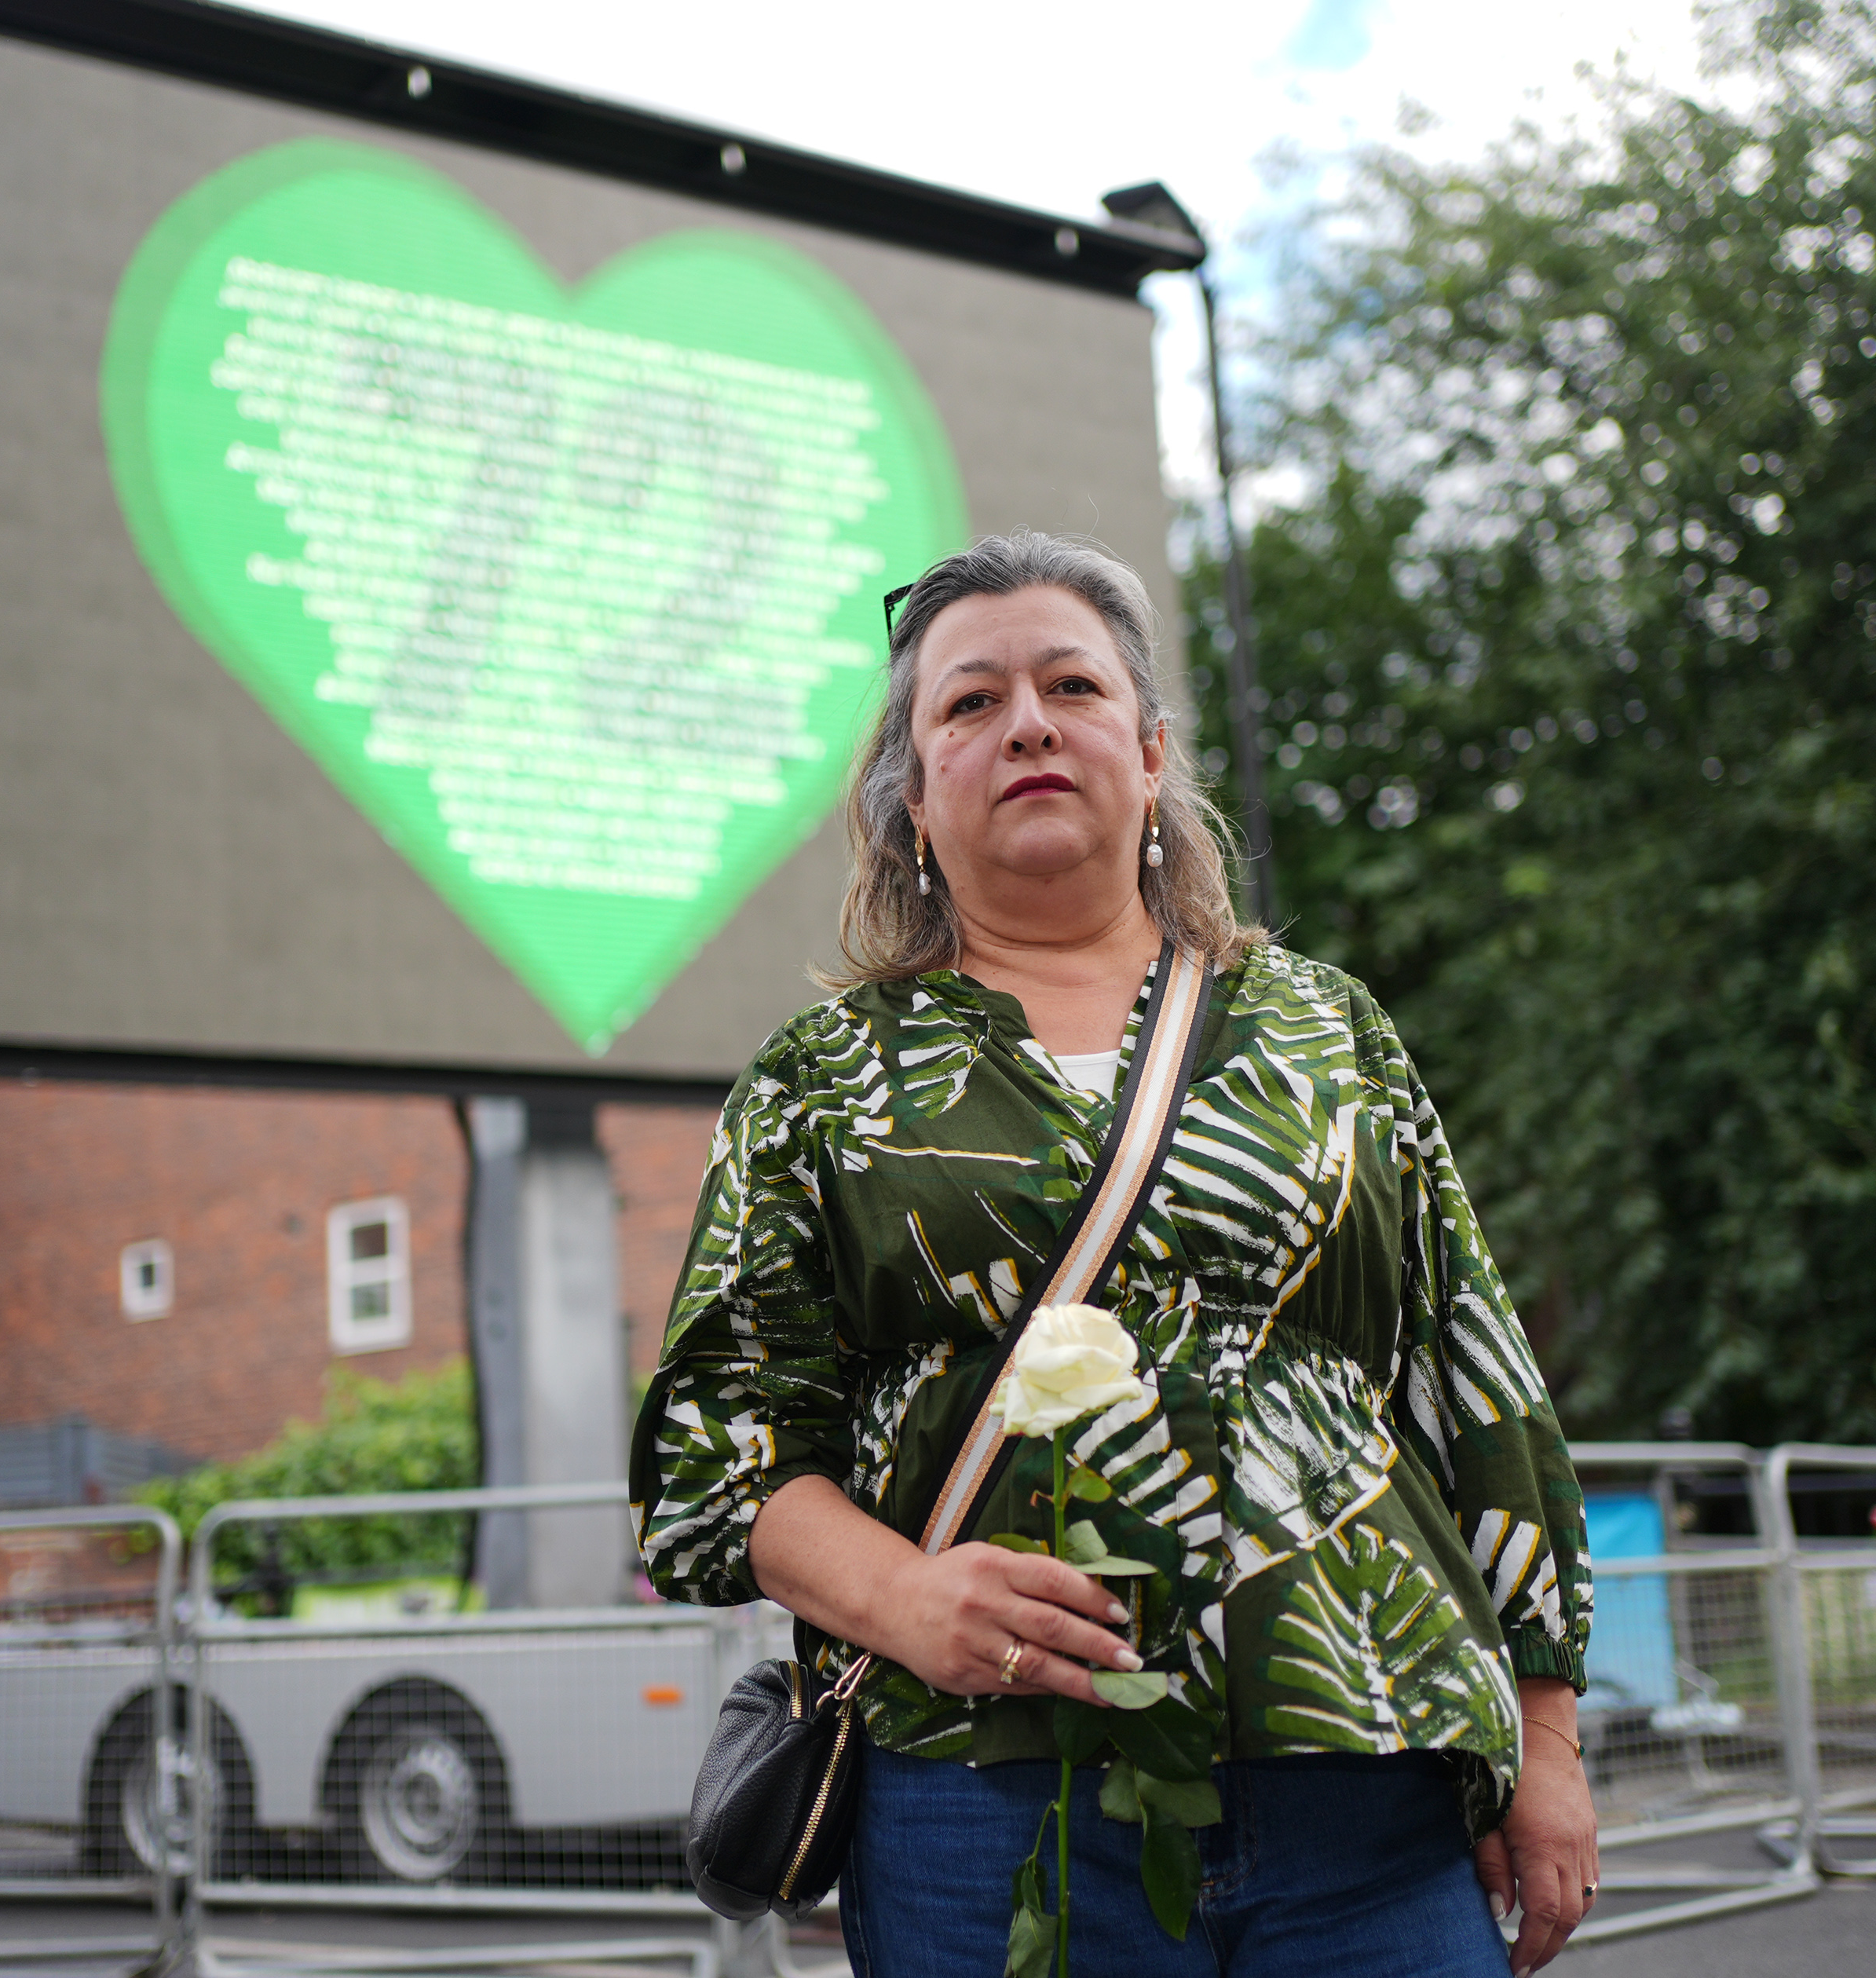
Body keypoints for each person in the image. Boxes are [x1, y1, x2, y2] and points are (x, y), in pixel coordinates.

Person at [630, 533, 1597, 1976]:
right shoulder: (818, 1081)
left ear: (1147, 758)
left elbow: (1482, 1389)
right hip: (986, 1801)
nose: (1026, 721)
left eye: (1071, 685)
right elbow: (716, 1465)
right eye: (968, 704)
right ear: (907, 799)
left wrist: (1547, 1738)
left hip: (1367, 1793)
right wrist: (904, 1599)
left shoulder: (1328, 1031)